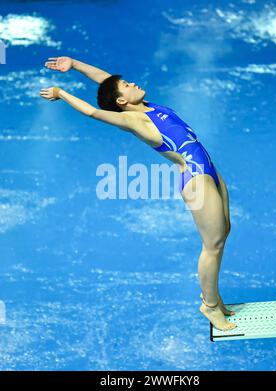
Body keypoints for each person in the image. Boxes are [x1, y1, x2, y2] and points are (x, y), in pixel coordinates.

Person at [40, 57, 236, 331]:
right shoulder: (135, 120)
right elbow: (92, 112)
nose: (132, 83)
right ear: (122, 101)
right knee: (212, 245)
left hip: (210, 169)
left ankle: (215, 298)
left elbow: (107, 82)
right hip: (196, 178)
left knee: (224, 233)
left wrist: (74, 64)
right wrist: (62, 93)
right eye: (126, 86)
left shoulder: (147, 106)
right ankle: (210, 306)